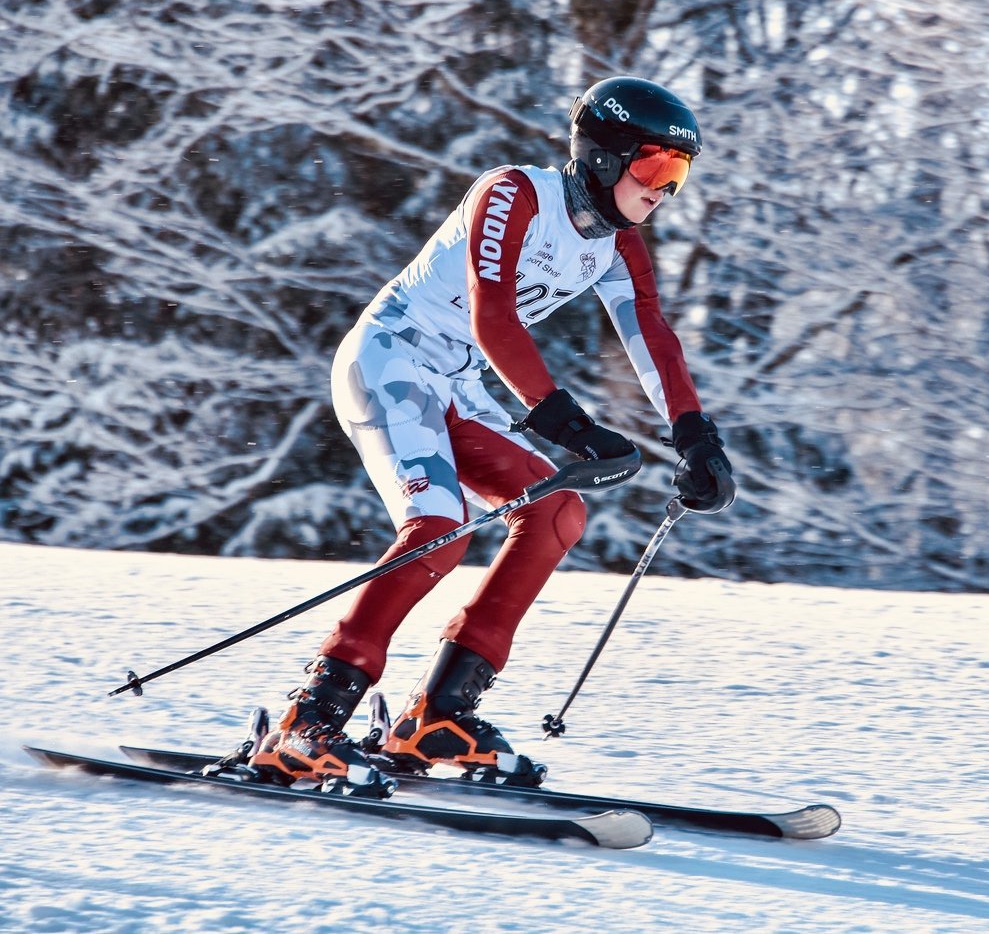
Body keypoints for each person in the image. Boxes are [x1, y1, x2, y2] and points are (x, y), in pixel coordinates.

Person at [249, 76, 735, 787]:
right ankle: (309, 722)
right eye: (654, 167)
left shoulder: (619, 245)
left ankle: (438, 715)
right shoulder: (514, 193)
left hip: (458, 383)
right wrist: (565, 420)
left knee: (557, 512)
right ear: (603, 156)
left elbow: (653, 338)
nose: (665, 190)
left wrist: (696, 437)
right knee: (440, 526)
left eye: (679, 174)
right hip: (391, 358)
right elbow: (493, 315)